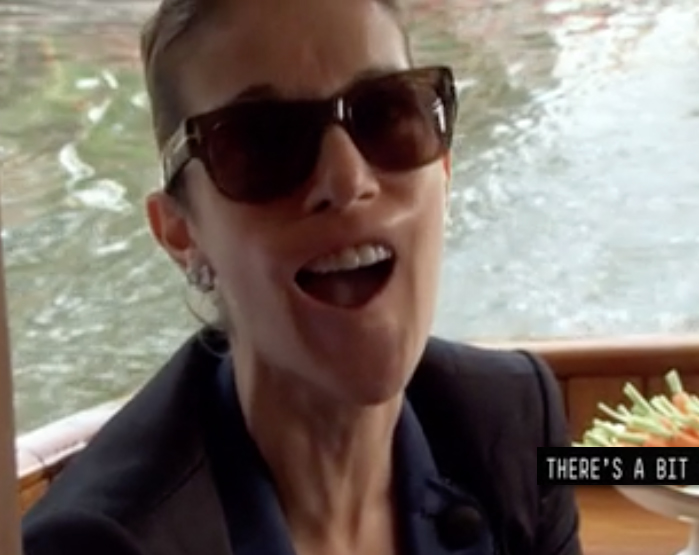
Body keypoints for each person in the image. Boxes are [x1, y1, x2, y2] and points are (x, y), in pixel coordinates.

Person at [20, 0, 581, 554]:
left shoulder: (512, 420)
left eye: (386, 116)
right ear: (182, 234)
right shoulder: (96, 545)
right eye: (266, 142)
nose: (347, 179)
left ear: (444, 170)